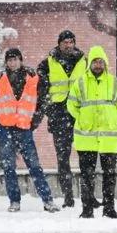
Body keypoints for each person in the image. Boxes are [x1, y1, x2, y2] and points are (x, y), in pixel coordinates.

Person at [0, 48, 58, 212]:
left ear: (21, 60)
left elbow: (42, 101)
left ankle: (47, 200)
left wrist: (35, 121)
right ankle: (14, 201)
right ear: (6, 62)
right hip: (5, 129)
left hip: (25, 129)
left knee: (34, 166)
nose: (12, 62)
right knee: (8, 167)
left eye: (15, 59)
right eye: (10, 60)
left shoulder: (33, 78)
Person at [67, 45, 117, 218]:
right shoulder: (80, 82)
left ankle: (109, 208)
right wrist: (83, 119)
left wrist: (110, 118)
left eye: (100, 61)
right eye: (95, 62)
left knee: (109, 175)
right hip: (86, 137)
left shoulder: (114, 82)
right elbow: (72, 105)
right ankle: (87, 209)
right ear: (90, 64)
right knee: (87, 175)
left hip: (108, 137)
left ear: (105, 63)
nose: (98, 65)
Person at [37, 30, 87, 207]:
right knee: (63, 158)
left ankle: (88, 196)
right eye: (65, 42)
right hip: (59, 115)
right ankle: (68, 197)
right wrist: (46, 110)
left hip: (80, 114)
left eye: (71, 42)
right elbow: (40, 88)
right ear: (59, 43)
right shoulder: (47, 63)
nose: (68, 45)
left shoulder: (84, 61)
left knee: (86, 157)